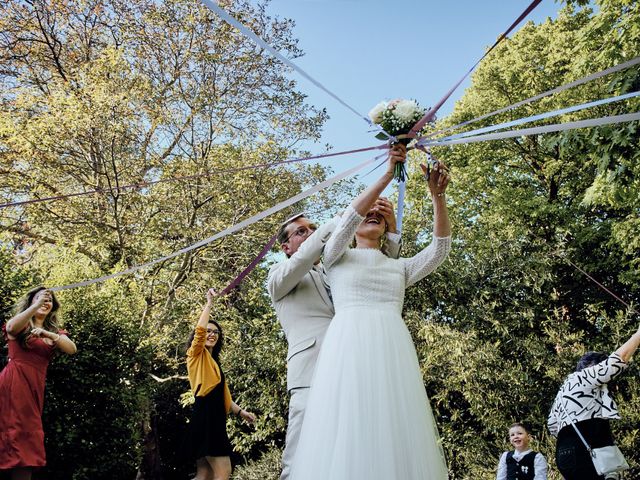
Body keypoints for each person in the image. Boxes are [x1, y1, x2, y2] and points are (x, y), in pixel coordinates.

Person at [289, 144, 451, 479]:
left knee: (391, 424)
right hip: (347, 349)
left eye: (380, 214)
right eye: (368, 213)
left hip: (391, 349)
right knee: (348, 424)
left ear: (388, 224)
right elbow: (348, 218)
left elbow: (439, 250)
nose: (372, 215)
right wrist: (388, 174)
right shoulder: (336, 257)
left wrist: (438, 197)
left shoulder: (400, 269)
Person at [267, 196, 401, 480]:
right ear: (286, 247)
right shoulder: (279, 276)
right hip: (310, 375)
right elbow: (304, 258)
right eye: (301, 231)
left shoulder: (336, 269)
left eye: (312, 228)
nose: (311, 233)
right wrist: (340, 219)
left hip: (348, 371)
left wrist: (390, 231)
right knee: (298, 453)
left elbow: (382, 269)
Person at [0, 287, 77, 480]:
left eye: (49, 300)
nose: (45, 302)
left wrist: (48, 334)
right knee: (14, 431)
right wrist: (36, 305)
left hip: (34, 388)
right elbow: (10, 328)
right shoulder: (21, 325)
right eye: (40, 298)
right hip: (14, 383)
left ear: (53, 307)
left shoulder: (54, 332)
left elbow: (72, 349)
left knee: (28, 437)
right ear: (31, 302)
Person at [548, 324, 640, 480]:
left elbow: (552, 425)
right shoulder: (585, 376)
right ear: (592, 366)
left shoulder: (563, 389)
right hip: (587, 448)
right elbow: (619, 359)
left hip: (563, 453)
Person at [186, 288, 256, 480]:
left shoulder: (214, 364)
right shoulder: (195, 355)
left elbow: (223, 397)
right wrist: (209, 304)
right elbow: (199, 333)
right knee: (223, 472)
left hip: (211, 416)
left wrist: (242, 413)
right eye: (208, 331)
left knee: (205, 474)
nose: (212, 334)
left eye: (215, 332)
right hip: (207, 416)